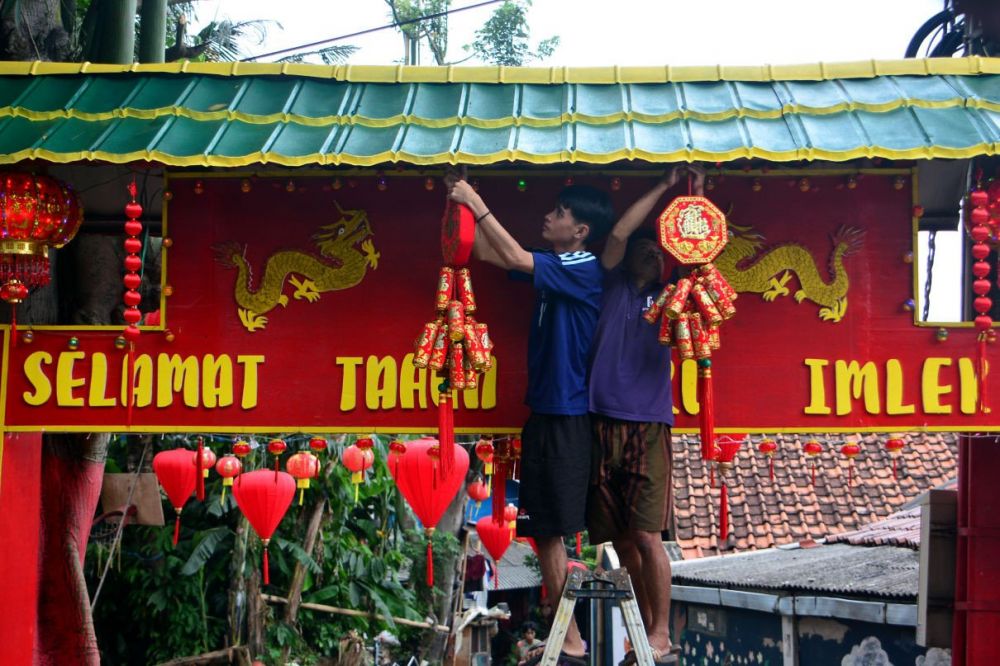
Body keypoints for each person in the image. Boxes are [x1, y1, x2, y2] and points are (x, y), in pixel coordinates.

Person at [447, 174, 613, 665]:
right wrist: (456, 218)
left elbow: (517, 256)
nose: (549, 217)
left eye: (560, 212)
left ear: (580, 230)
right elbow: (492, 254)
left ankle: (573, 642)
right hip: (545, 410)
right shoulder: (557, 263)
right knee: (542, 529)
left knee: (552, 528)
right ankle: (569, 638)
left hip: (567, 413)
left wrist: (475, 201)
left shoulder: (580, 266)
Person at [587, 164, 706, 665]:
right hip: (597, 419)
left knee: (648, 534)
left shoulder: (670, 298)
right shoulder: (608, 285)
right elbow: (616, 234)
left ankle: (660, 634)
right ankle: (640, 630)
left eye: (659, 251)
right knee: (619, 541)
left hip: (650, 423)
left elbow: (696, 249)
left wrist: (694, 195)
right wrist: (661, 185)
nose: (653, 255)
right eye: (646, 248)